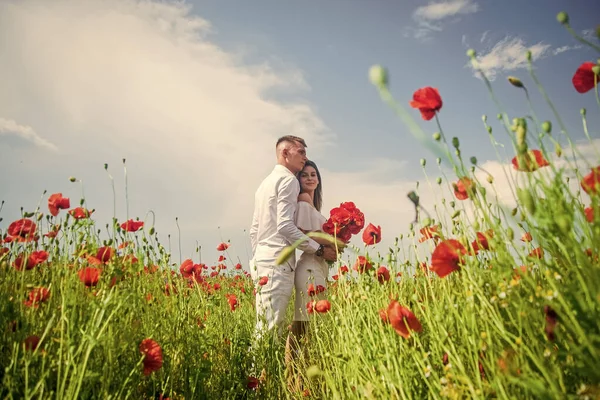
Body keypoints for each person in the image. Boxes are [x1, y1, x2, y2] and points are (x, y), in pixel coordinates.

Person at [249, 136, 337, 343]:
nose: (305, 157)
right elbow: (285, 226)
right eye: (301, 152)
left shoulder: (264, 184)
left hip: (263, 259)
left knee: (265, 324)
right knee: (271, 328)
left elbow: (254, 230)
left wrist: (259, 256)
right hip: (277, 260)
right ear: (285, 153)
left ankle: (258, 374)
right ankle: (258, 376)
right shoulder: (288, 180)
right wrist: (320, 250)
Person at [285, 160, 330, 391]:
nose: (311, 178)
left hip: (318, 267)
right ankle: (296, 380)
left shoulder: (312, 207)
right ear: (299, 181)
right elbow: (302, 233)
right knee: (304, 326)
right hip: (310, 267)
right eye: (305, 175)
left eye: (314, 174)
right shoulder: (303, 203)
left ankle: (296, 380)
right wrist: (333, 242)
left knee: (303, 325)